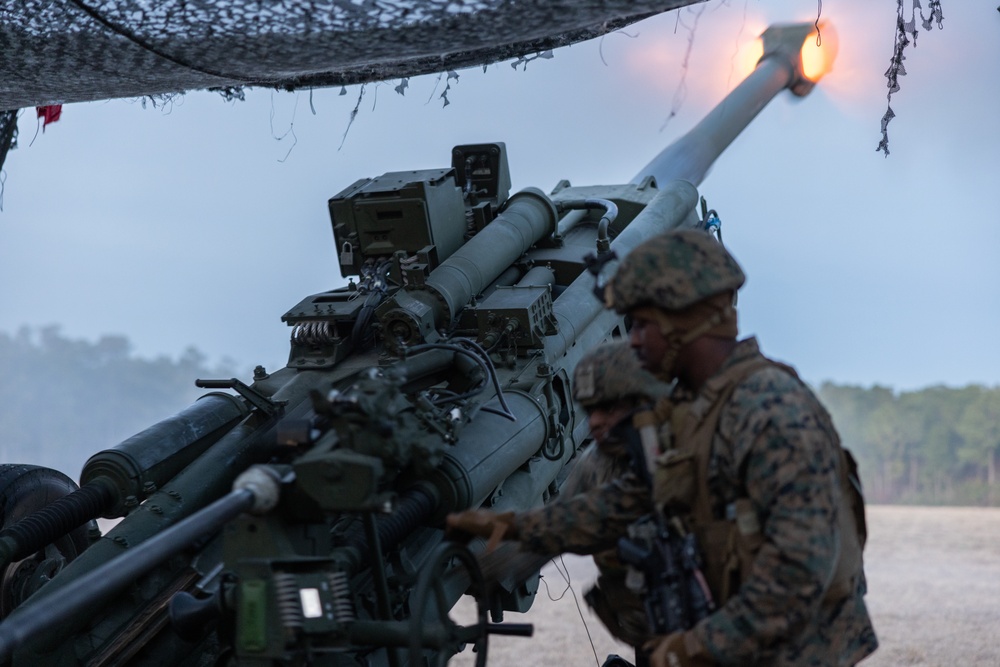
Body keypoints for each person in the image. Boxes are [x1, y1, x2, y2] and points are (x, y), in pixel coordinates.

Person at [450, 228, 878, 667]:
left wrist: (692, 649)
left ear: (685, 320)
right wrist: (517, 526)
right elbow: (625, 500)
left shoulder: (769, 408)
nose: (632, 340)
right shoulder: (694, 412)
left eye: (641, 323)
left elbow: (800, 569)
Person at [448, 341, 668, 666]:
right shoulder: (596, 465)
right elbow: (554, 531)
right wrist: (479, 568)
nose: (594, 422)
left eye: (608, 409)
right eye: (590, 410)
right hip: (656, 632)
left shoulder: (694, 450)